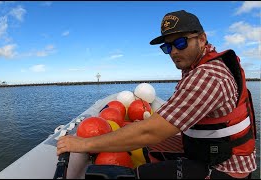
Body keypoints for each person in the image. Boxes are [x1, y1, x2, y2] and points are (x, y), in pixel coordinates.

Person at [57, 10, 257, 179]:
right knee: (148, 146)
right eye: (167, 47)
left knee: (134, 174)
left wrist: (83, 143)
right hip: (208, 149)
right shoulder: (200, 68)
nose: (173, 52)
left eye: (180, 43)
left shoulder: (207, 77)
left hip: (225, 168)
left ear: (202, 39)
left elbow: (149, 132)